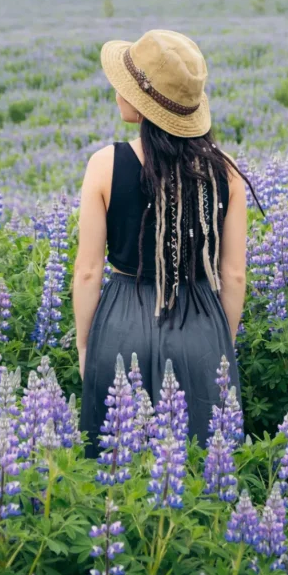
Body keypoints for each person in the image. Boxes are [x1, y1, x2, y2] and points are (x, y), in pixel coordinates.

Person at [74, 28, 254, 453]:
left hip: (119, 322)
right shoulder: (225, 171)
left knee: (115, 476)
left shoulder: (104, 165)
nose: (116, 90)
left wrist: (86, 344)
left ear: (142, 102)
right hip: (200, 320)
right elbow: (234, 275)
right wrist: (215, 341)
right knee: (202, 474)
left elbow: (87, 272)